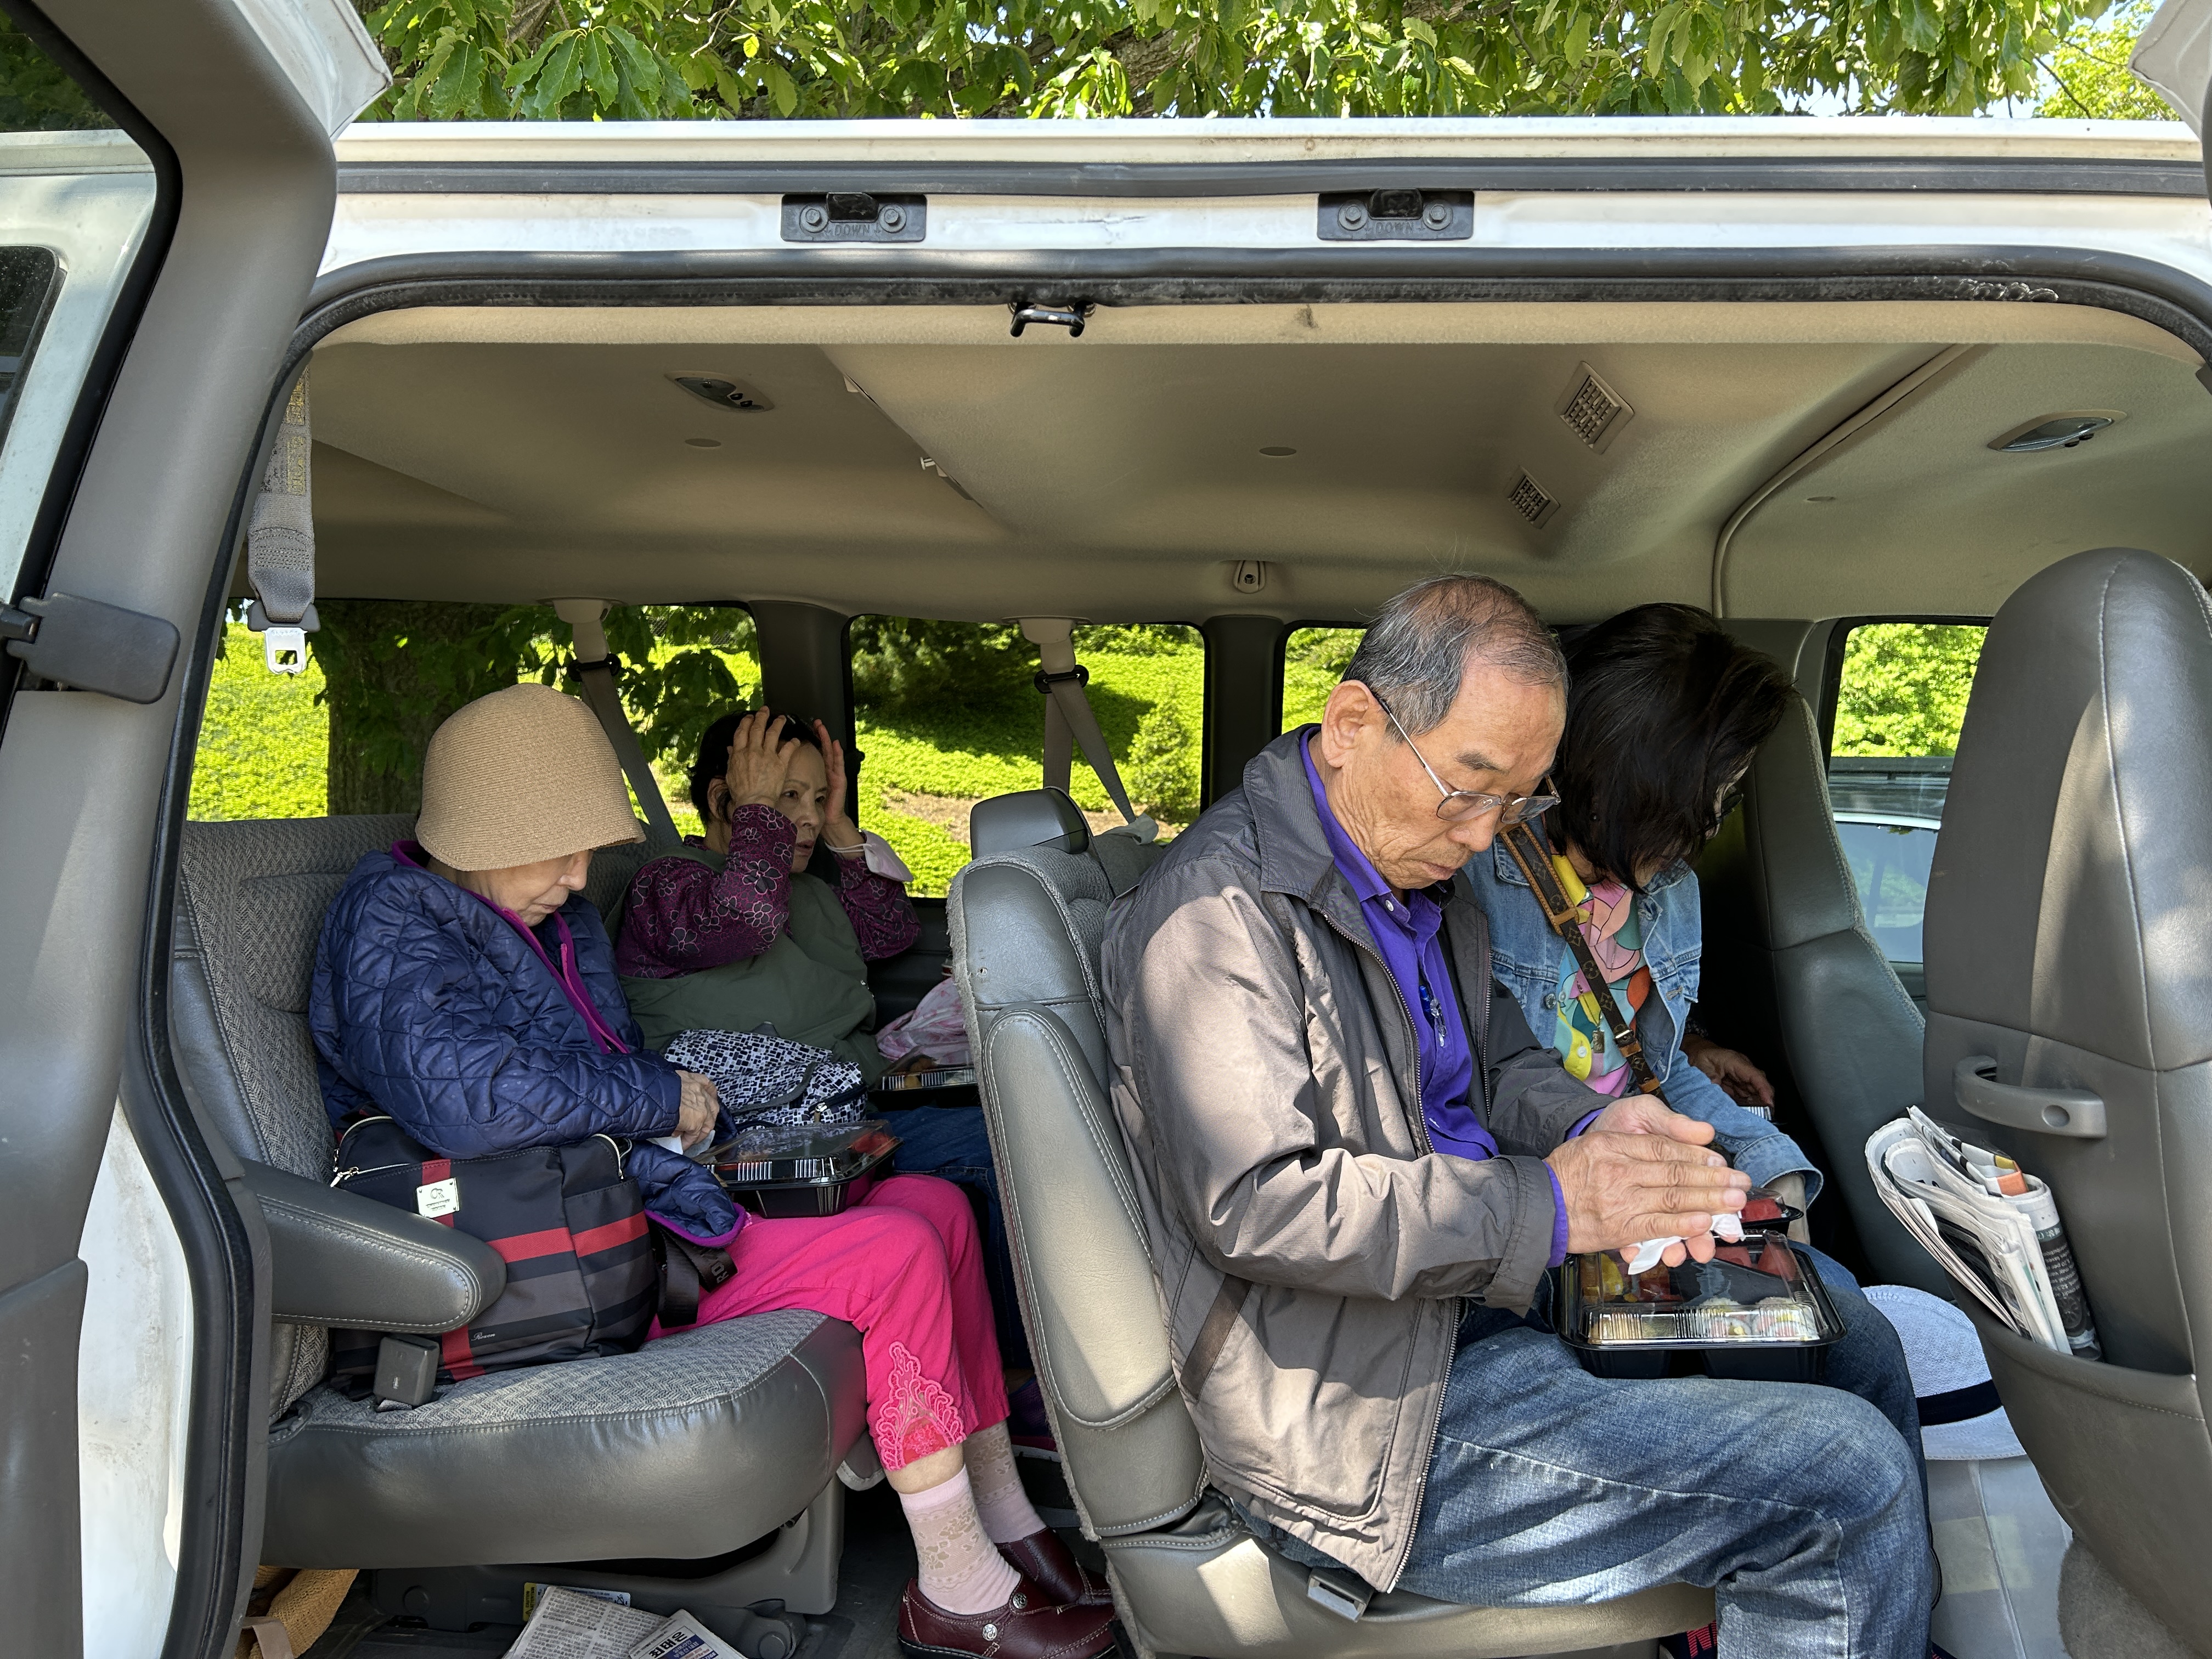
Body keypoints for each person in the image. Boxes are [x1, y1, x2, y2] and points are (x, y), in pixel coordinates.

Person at [1101, 577, 1932, 1658]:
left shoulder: (1411, 874)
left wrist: (1597, 1130)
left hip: (1468, 1303)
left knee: (1846, 1332)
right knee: (1845, 1479)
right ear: (1351, 724)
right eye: (1469, 789)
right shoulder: (1217, 917)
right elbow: (1263, 1202)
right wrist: (1552, 1205)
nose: (1486, 834)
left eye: (1518, 801)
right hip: (1365, 1415)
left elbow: (1495, 1062)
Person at [311, 684, 1113, 1659]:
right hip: (527, 1265)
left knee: (935, 1205)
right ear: (483, 829)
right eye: (558, 851)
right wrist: (658, 1098)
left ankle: (1007, 1516)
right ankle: (955, 1584)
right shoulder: (395, 921)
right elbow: (465, 1101)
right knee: (891, 1253)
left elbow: (597, 1075)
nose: (580, 877)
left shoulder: (546, 917)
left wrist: (678, 1127)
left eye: (586, 852)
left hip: (603, 1212)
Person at [614, 708, 1032, 1374]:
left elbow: (892, 934)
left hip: (853, 1108)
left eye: (817, 798)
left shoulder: (803, 888)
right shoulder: (667, 886)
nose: (805, 818)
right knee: (1001, 1149)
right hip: (761, 1139)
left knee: (1018, 1119)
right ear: (726, 797)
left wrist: (838, 829)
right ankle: (1031, 1374)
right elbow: (744, 918)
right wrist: (758, 813)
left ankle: (1017, 1367)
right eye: (788, 796)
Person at [1464, 601, 1814, 1213]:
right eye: (1706, 793)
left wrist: (1770, 1166)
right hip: (1528, 1188)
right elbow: (1467, 1087)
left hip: (1638, 1165)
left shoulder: (1673, 891)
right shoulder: (1474, 873)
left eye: (1727, 796)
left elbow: (1656, 1071)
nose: (1712, 820)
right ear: (1633, 780)